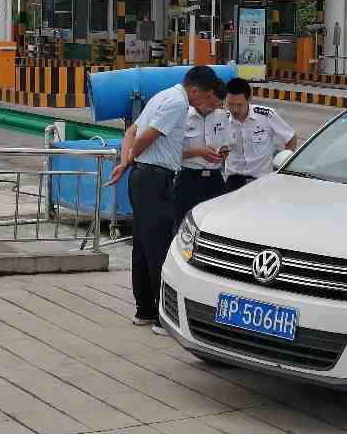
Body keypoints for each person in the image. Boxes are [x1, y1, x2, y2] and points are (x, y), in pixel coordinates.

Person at [106, 65, 225, 331]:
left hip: (144, 177)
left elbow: (131, 132)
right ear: (195, 89)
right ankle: (163, 316)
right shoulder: (177, 104)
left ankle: (145, 310)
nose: (205, 103)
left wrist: (126, 162)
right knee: (159, 246)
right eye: (206, 97)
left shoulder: (161, 96)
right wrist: (129, 160)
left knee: (143, 245)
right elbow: (146, 137)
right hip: (154, 180)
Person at [221, 77, 298, 192]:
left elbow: (290, 137)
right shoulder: (222, 120)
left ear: (249, 99)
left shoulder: (266, 115)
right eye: (230, 104)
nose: (235, 110)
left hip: (262, 180)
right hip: (234, 180)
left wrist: (284, 162)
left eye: (239, 105)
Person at [174, 91, 229, 228]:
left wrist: (223, 153)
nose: (212, 108)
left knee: (216, 223)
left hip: (215, 178)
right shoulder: (183, 116)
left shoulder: (222, 116)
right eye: (211, 104)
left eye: (217, 105)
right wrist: (199, 152)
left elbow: (225, 144)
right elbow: (171, 152)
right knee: (183, 223)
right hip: (188, 177)